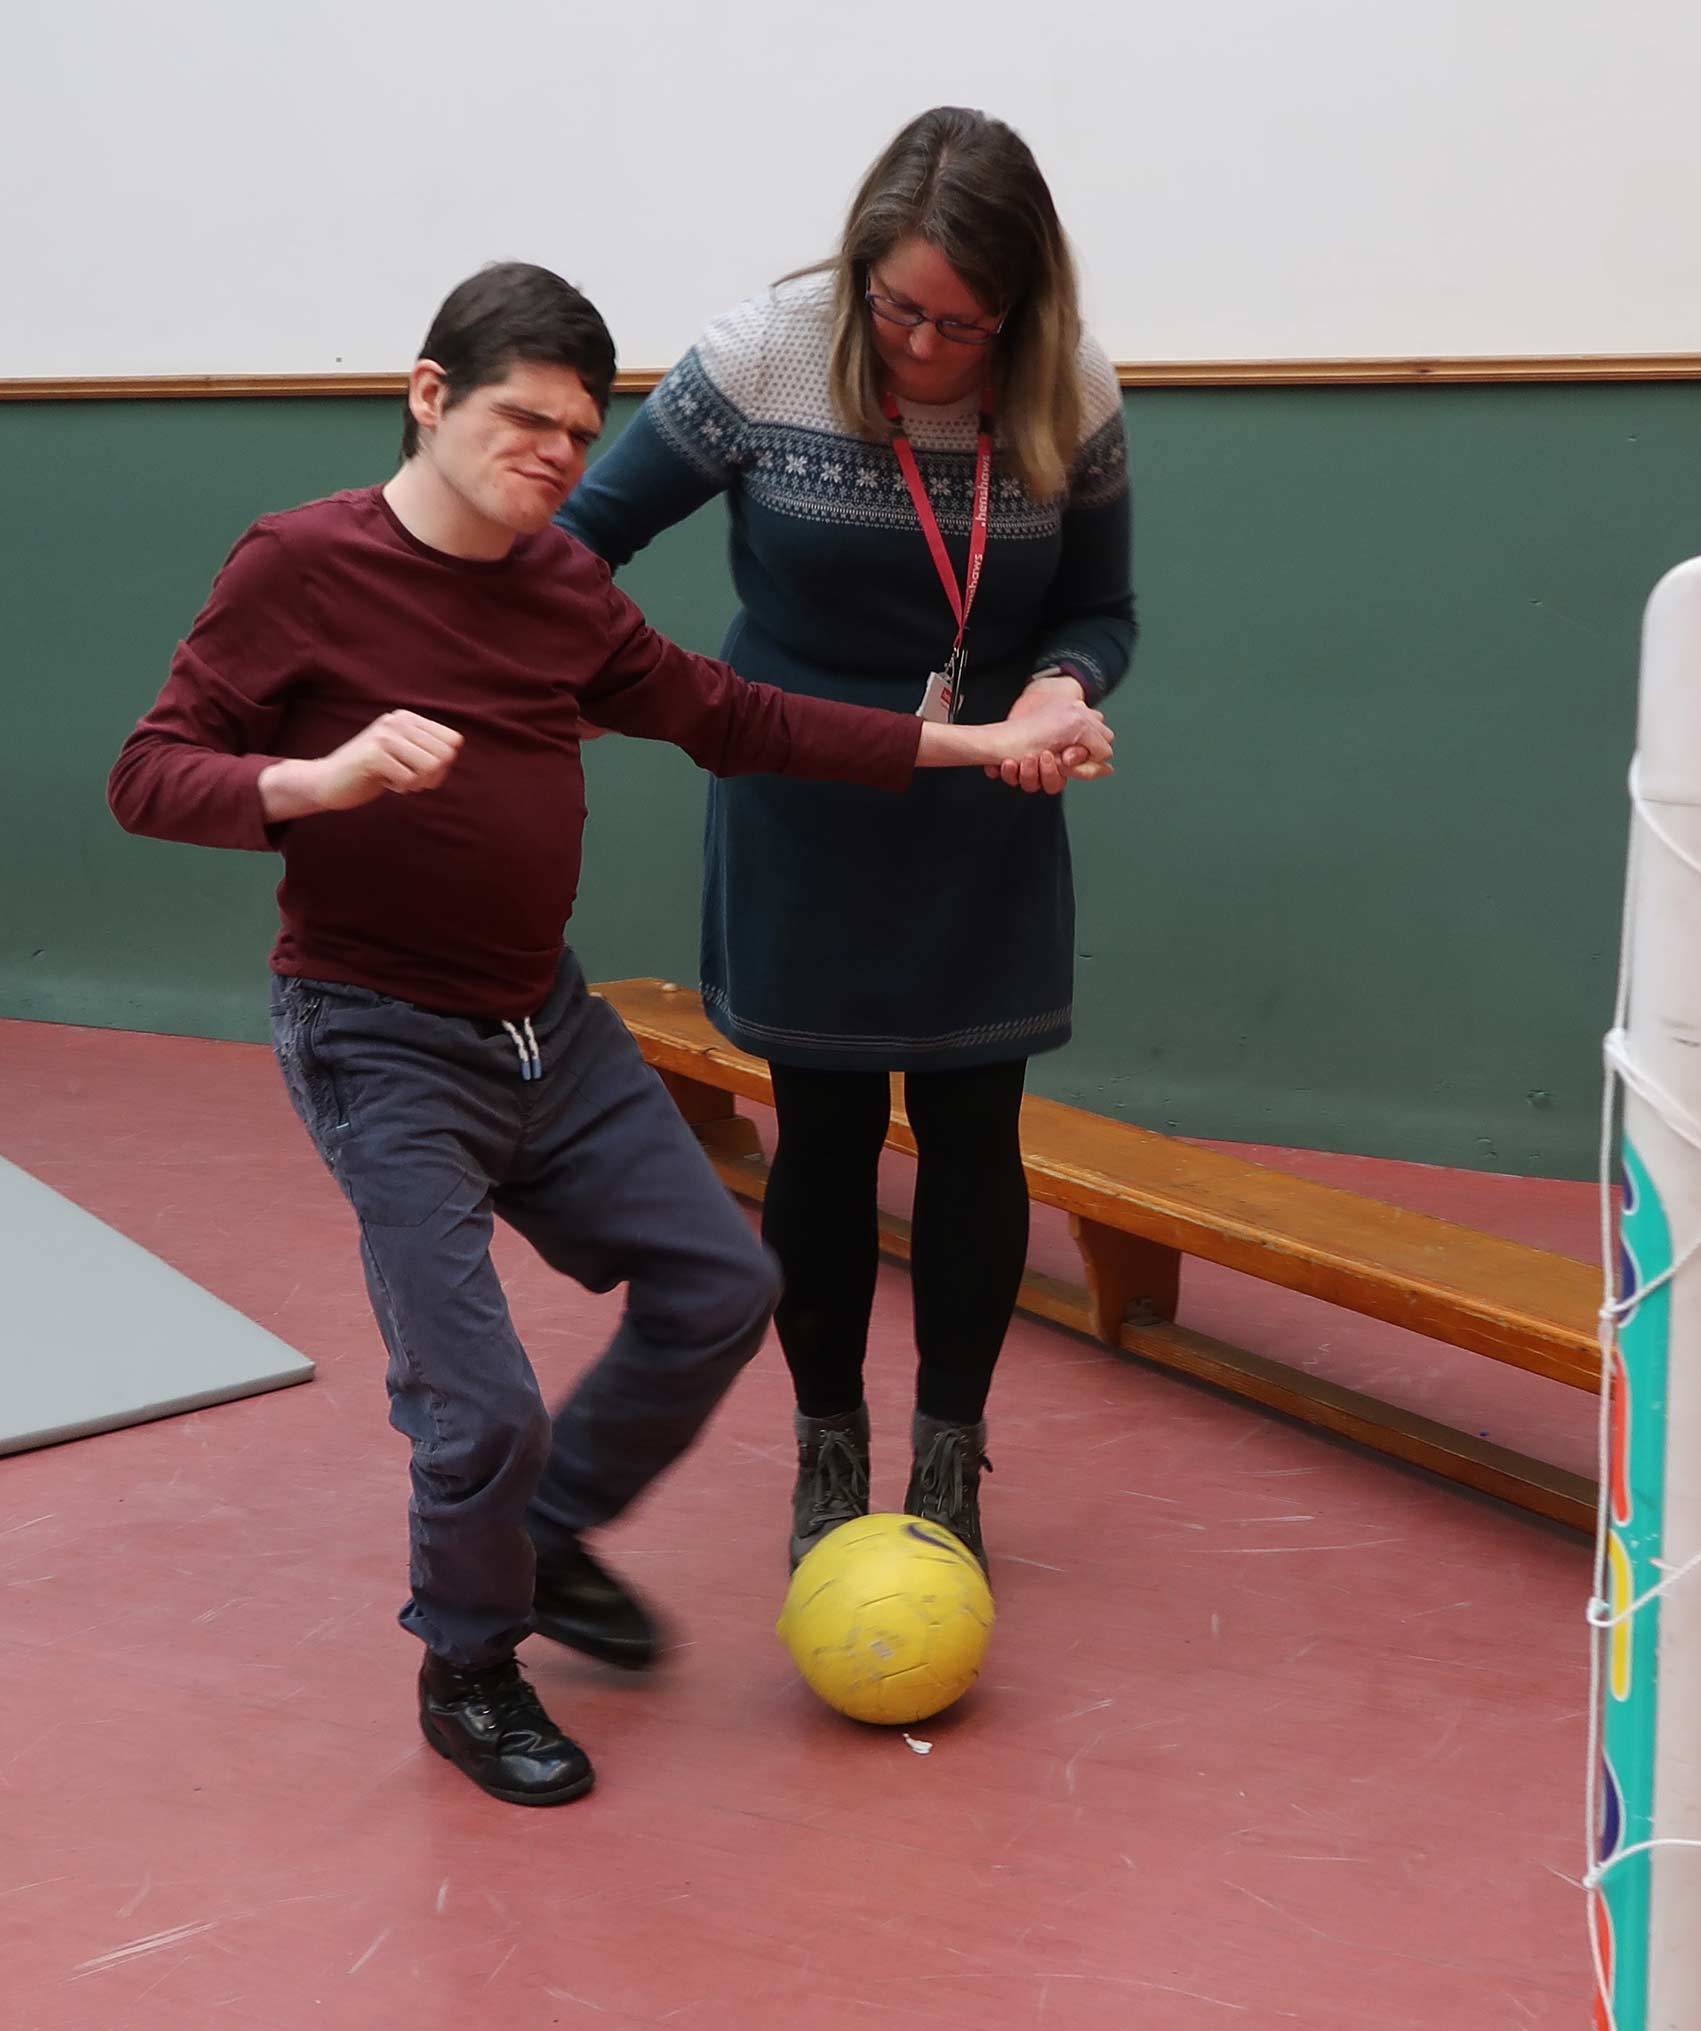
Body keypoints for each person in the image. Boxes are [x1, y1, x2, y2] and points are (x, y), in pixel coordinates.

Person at [105, 261, 1112, 1808]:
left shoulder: (561, 590)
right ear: (430, 396)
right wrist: (315, 781)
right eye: (525, 422)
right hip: (379, 1037)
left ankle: (543, 1534)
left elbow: (737, 715)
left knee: (720, 1283)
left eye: (581, 436)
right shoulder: (301, 566)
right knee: (480, 1400)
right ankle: (470, 1664)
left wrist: (981, 741)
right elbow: (150, 771)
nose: (557, 460)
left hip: (545, 1026)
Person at [557, 107, 1137, 1577]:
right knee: (817, 1134)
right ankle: (829, 1451)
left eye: (970, 326)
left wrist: (1066, 686)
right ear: (861, 266)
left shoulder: (1068, 383)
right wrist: (659, 696)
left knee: (971, 1129)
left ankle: (950, 1461)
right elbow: (577, 550)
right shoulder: (762, 354)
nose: (932, 352)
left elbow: (1101, 608)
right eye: (903, 313)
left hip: (985, 805)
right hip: (802, 803)